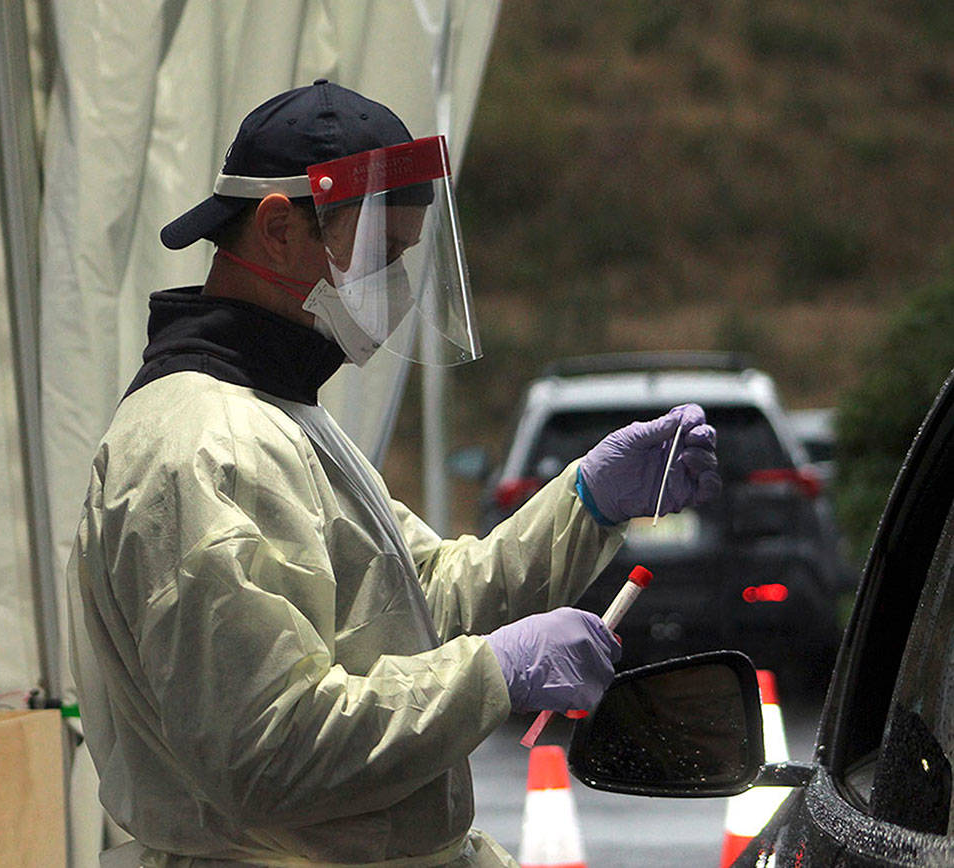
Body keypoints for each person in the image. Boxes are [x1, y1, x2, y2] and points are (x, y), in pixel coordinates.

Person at [66, 80, 721, 866]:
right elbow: (269, 748)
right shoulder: (198, 450)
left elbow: (418, 601)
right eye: (382, 255)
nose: (396, 289)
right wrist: (495, 674)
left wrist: (587, 504)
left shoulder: (279, 417)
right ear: (278, 227)